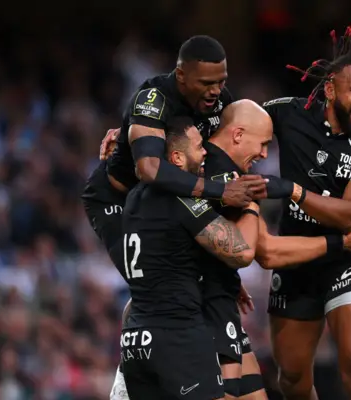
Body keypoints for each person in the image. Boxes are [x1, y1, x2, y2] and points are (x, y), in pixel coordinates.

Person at [81, 35, 266, 399]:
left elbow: (214, 146)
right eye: (207, 83)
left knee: (178, 281)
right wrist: (222, 192)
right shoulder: (152, 98)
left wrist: (217, 261)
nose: (216, 91)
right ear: (181, 76)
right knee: (154, 288)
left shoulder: (215, 103)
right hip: (117, 200)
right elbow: (150, 167)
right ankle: (128, 379)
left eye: (222, 81)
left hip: (160, 201)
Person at [202, 99, 351, 399]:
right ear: (238, 135)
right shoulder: (228, 181)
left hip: (206, 302)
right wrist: (341, 242)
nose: (266, 154)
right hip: (190, 310)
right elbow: (263, 252)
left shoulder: (205, 164)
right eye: (264, 144)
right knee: (287, 377)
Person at [261, 17, 351, 400]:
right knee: (291, 378)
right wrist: (141, 129)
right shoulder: (289, 113)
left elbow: (350, 213)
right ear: (328, 88)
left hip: (350, 251)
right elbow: (232, 121)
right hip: (296, 256)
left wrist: (292, 191)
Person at [120, 116, 261, 400]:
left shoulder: (133, 199)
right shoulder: (182, 200)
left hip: (135, 340)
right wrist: (251, 204)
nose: (205, 151)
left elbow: (169, 253)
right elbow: (242, 251)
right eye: (198, 147)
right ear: (177, 158)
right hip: (177, 337)